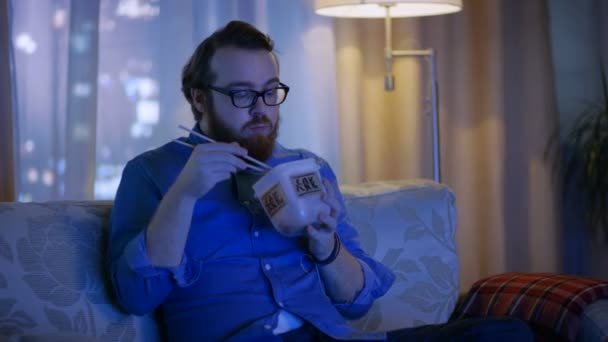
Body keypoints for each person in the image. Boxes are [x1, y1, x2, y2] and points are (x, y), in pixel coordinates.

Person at [107, 20, 534, 342]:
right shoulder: (152, 173)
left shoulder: (306, 167)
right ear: (200, 98)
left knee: (508, 333)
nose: (261, 109)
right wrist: (184, 194)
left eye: (270, 91)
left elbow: (357, 303)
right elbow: (136, 297)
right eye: (241, 94)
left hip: (330, 335)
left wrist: (325, 245)